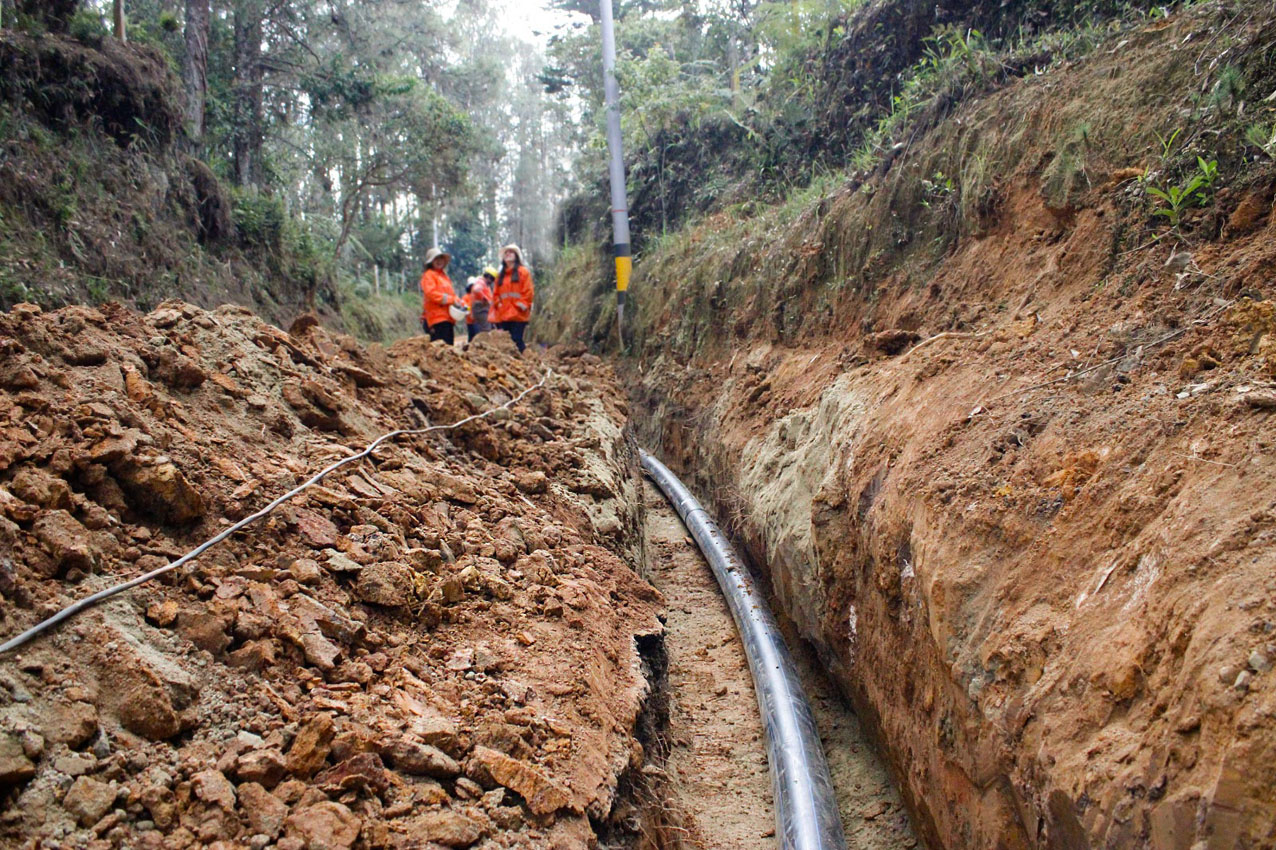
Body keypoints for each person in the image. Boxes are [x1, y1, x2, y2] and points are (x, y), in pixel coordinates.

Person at [492, 244, 534, 352]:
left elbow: (528, 292)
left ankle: (525, 361)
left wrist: (520, 306)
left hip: (518, 315)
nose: (508, 254)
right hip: (504, 315)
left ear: (516, 256)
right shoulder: (500, 276)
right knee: (507, 343)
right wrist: (499, 304)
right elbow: (495, 294)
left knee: (517, 340)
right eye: (506, 252)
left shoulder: (523, 272)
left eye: (511, 252)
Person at [419, 247, 462, 345]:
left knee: (449, 348)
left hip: (447, 318)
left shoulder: (444, 277)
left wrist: (458, 301)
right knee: (440, 350)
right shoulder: (429, 275)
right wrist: (451, 299)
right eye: (435, 259)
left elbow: (451, 294)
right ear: (431, 262)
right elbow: (431, 294)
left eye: (440, 258)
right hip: (436, 319)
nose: (439, 261)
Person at [463, 274, 492, 340]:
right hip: (470, 320)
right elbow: (465, 306)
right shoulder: (466, 297)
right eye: (471, 286)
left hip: (475, 320)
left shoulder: (478, 295)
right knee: (472, 337)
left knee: (478, 334)